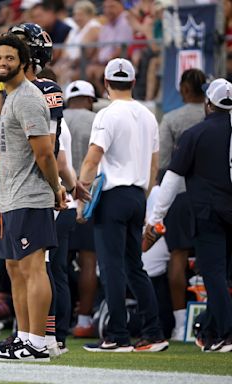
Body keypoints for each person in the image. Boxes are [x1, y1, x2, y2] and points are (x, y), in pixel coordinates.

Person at [0, 34, 67, 362]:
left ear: (25, 62)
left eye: (9, 58)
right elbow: (4, 149)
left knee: (33, 268)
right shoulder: (12, 96)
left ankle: (39, 342)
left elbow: (44, 153)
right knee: (15, 268)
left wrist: (56, 189)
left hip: (30, 195)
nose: (2, 63)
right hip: (10, 196)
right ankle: (25, 337)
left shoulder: (28, 97)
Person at [78, 58, 168, 352]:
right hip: (136, 195)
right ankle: (154, 332)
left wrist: (80, 189)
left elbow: (93, 158)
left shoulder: (106, 114)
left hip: (114, 195)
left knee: (112, 267)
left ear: (106, 84)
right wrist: (143, 195)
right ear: (132, 82)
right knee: (134, 267)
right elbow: (154, 164)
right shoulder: (148, 115)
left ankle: (117, 335)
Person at [147, 78, 232, 352]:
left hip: (209, 213)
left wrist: (156, 217)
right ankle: (209, 329)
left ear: (209, 103)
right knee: (222, 275)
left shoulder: (195, 134)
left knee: (213, 273)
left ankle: (224, 333)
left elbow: (171, 180)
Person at [157, 68, 206, 341]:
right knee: (215, 259)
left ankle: (179, 324)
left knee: (177, 255)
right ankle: (216, 317)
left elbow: (163, 162)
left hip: (180, 195)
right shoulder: (218, 118)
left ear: (184, 90)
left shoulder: (173, 118)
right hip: (213, 197)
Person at [63, 80, 98, 337]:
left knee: (55, 263)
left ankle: (55, 317)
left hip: (58, 197)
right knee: (88, 261)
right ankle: (84, 321)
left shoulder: (57, 117)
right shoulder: (96, 120)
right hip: (86, 197)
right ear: (89, 99)